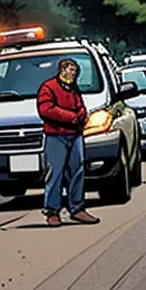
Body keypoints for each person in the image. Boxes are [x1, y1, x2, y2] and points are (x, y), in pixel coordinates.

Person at [36, 58, 100, 227]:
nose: (72, 73)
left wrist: (81, 115)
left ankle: (77, 208)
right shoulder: (48, 88)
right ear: (61, 70)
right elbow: (46, 110)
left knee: (77, 171)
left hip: (75, 135)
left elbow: (80, 105)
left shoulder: (74, 89)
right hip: (56, 136)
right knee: (55, 173)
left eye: (74, 71)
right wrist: (71, 117)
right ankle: (52, 211)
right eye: (69, 70)